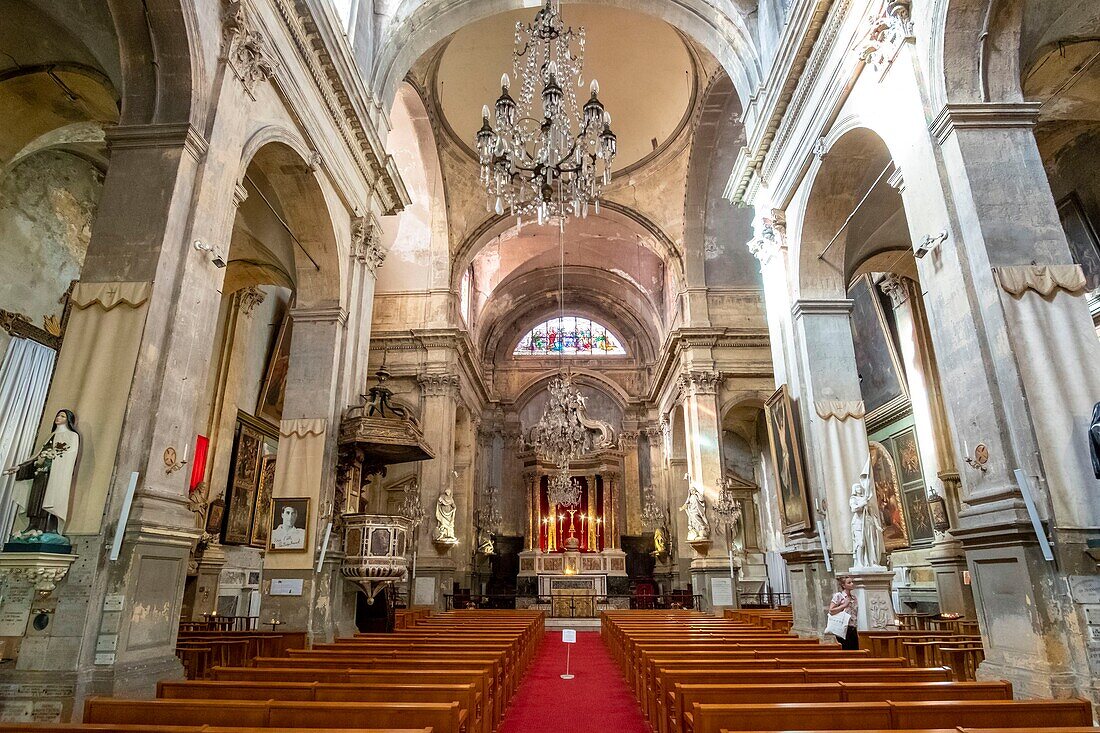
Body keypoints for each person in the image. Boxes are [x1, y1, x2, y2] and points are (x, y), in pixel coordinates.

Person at [4, 409, 80, 539]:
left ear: (68, 420)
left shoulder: (72, 436)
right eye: (57, 415)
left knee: (49, 500)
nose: (58, 418)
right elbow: (37, 456)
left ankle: (48, 528)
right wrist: (19, 467)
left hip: (54, 475)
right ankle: (33, 525)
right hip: (40, 474)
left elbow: (69, 455)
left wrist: (51, 460)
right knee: (35, 500)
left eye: (62, 416)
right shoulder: (51, 436)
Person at [829, 575, 859, 650]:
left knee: (855, 650)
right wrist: (844, 605)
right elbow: (831, 610)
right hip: (843, 627)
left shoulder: (854, 598)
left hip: (853, 626)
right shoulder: (838, 596)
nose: (852, 584)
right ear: (843, 585)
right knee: (846, 648)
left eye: (852, 582)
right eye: (849, 583)